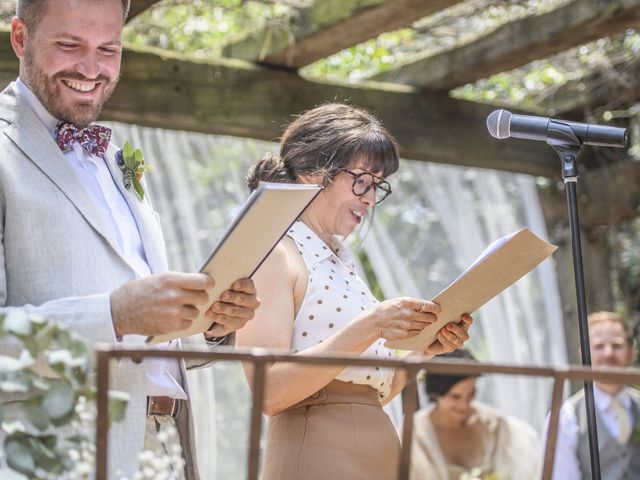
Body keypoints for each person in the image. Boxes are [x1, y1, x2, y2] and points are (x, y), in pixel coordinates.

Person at [0, 1, 260, 478]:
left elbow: (149, 332)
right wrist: (113, 316)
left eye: (108, 50)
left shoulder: (117, 159)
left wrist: (208, 323)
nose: (91, 69)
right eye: (69, 45)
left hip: (166, 445)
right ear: (20, 37)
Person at [236, 103, 474, 480]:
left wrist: (421, 352)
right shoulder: (275, 253)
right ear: (313, 173)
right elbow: (269, 392)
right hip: (316, 452)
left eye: (377, 186)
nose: (368, 198)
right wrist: (373, 324)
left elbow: (374, 389)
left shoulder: (343, 263)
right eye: (361, 180)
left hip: (379, 450)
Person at [410, 349, 542, 480]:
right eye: (455, 397)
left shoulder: (493, 424)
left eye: (471, 393)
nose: (464, 404)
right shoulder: (415, 434)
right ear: (435, 392)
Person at [547, 311, 640, 479]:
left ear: (631, 352)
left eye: (617, 345)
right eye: (598, 346)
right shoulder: (565, 419)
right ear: (583, 354)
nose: (608, 354)